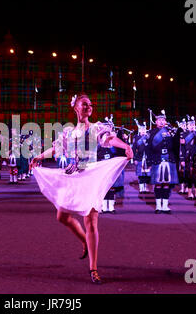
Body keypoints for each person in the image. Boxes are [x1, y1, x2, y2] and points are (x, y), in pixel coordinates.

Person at [30, 94, 132, 284]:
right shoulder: (68, 132)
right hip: (71, 176)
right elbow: (57, 149)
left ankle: (93, 268)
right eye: (84, 104)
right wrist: (39, 157)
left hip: (89, 176)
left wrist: (124, 145)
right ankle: (85, 240)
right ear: (75, 107)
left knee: (91, 221)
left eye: (90, 105)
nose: (89, 107)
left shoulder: (96, 129)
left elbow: (109, 140)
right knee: (61, 216)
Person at [146, 110, 179, 214]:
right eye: (159, 120)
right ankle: (158, 206)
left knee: (166, 184)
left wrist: (175, 135)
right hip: (156, 159)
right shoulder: (151, 133)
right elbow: (148, 149)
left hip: (169, 159)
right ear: (155, 122)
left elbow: (176, 147)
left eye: (163, 119)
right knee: (158, 184)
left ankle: (165, 206)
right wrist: (149, 162)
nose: (161, 121)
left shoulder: (171, 131)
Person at [132, 120, 151, 194]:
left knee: (146, 174)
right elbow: (133, 149)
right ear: (139, 130)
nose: (143, 131)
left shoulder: (148, 137)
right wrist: (134, 159)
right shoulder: (136, 137)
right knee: (140, 174)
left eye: (144, 129)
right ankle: (141, 188)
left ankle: (145, 187)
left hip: (147, 158)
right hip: (139, 158)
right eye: (141, 129)